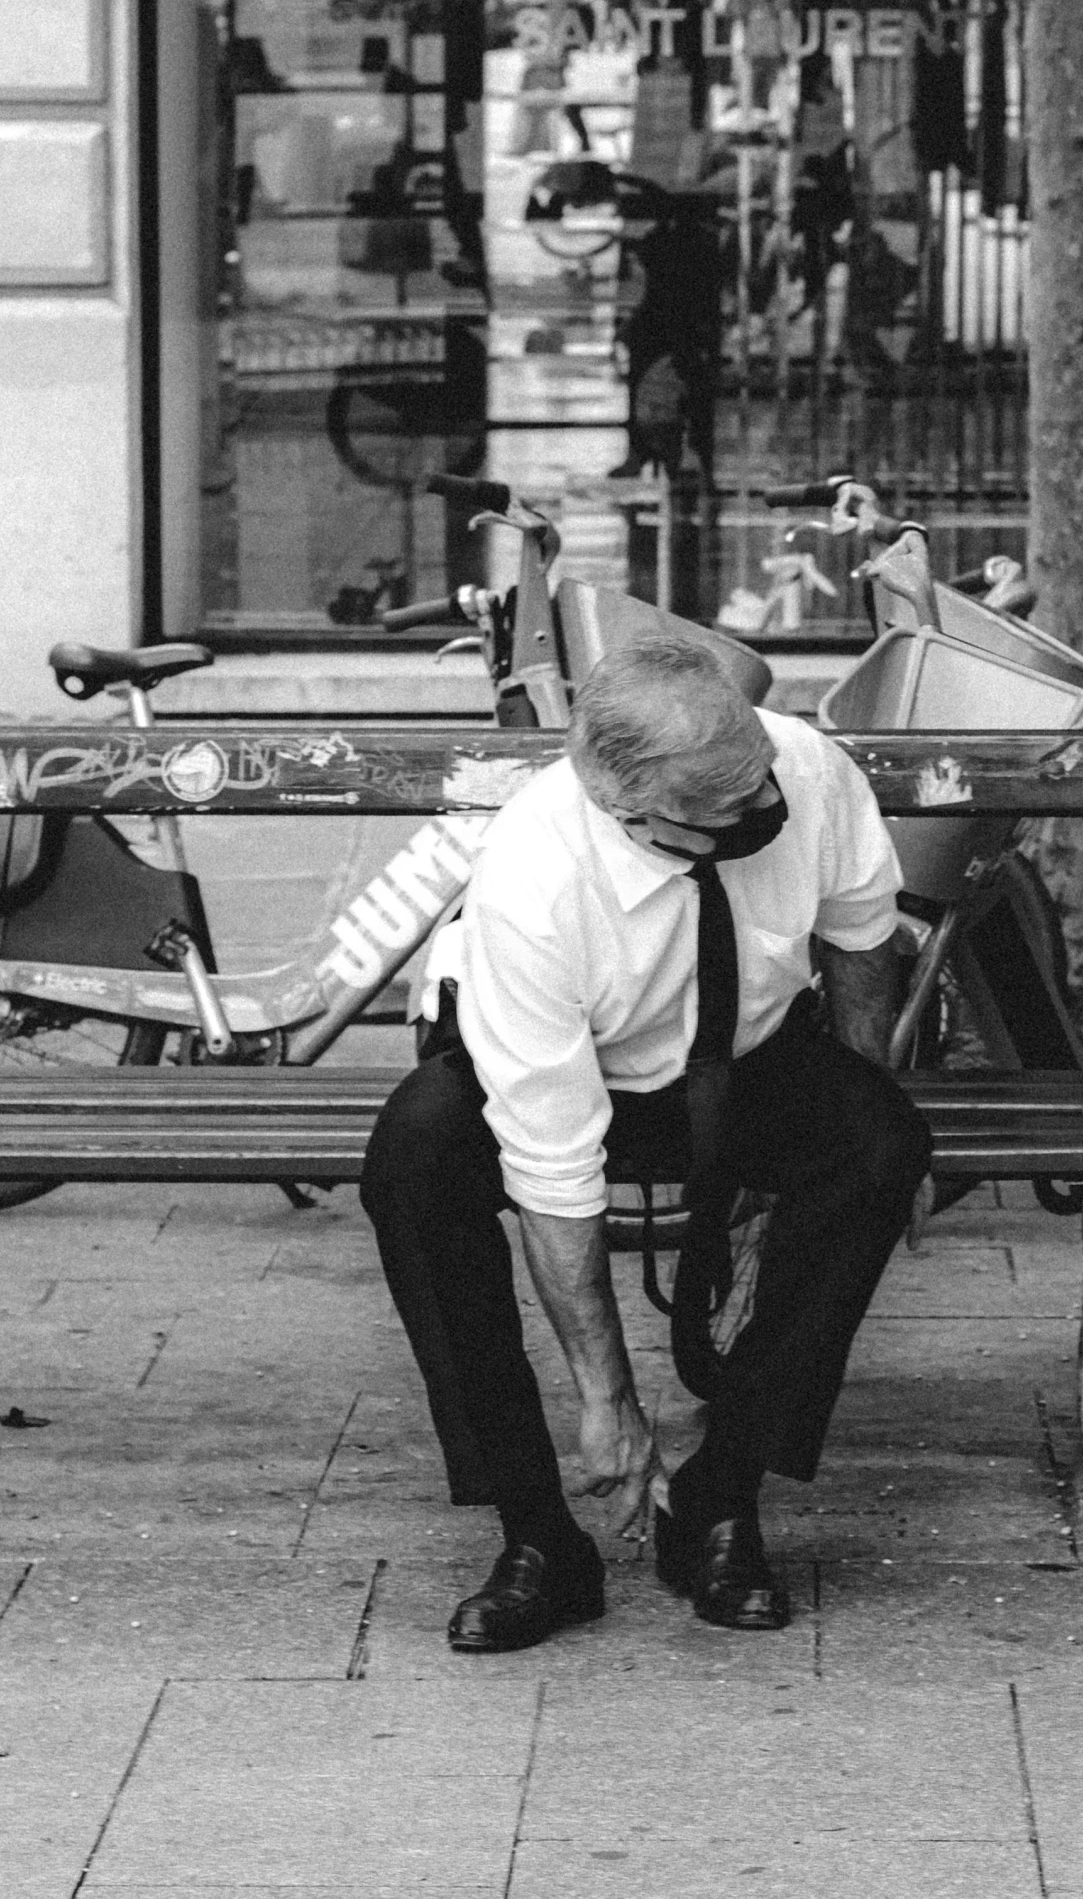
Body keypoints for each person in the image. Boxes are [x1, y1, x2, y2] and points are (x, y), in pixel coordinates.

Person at [360, 634, 930, 1653]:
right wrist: (607, 1398)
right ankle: (538, 1534)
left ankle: (720, 1491)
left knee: (879, 1143)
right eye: (726, 809)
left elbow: (856, 937)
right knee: (413, 1155)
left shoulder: (798, 767)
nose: (766, 808)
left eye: (758, 775)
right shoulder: (535, 880)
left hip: (749, 1056)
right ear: (629, 811)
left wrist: (860, 1085)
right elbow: (551, 1157)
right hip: (585, 1069)